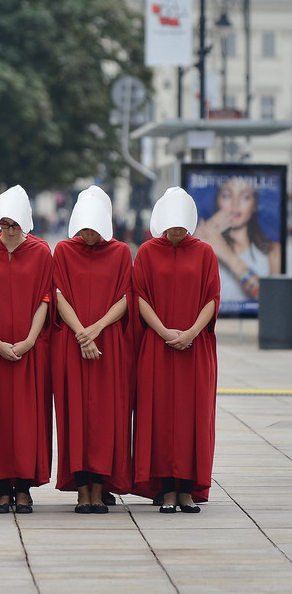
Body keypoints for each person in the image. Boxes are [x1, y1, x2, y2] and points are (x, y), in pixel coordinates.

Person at [133, 187, 219, 514]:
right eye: (171, 228)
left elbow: (212, 297)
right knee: (160, 415)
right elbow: (139, 296)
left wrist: (192, 333)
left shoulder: (205, 253)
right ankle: (166, 488)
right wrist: (165, 331)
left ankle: (188, 488)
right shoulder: (147, 252)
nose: (177, 234)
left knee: (192, 416)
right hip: (158, 345)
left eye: (182, 228)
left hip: (195, 349)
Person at [51, 186, 133, 514]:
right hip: (74, 342)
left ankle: (99, 488)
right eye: (83, 229)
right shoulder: (64, 252)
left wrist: (96, 329)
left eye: (93, 230)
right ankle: (81, 489)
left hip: (107, 342)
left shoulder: (121, 253)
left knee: (104, 416)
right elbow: (57, 293)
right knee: (75, 414)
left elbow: (127, 295)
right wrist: (81, 333)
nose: (87, 235)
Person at [0, 185, 53, 514]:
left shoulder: (41, 253)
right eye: (3, 225)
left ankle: (25, 487)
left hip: (29, 349)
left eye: (14, 226)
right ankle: (2, 487)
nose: (8, 232)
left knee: (27, 418)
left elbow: (46, 298)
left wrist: (31, 339)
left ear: (25, 224)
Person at [194, 175, 280, 302]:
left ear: (255, 205)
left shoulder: (273, 251)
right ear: (217, 201)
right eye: (227, 195)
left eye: (245, 196)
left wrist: (225, 253)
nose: (235, 203)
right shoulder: (202, 246)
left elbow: (272, 303)